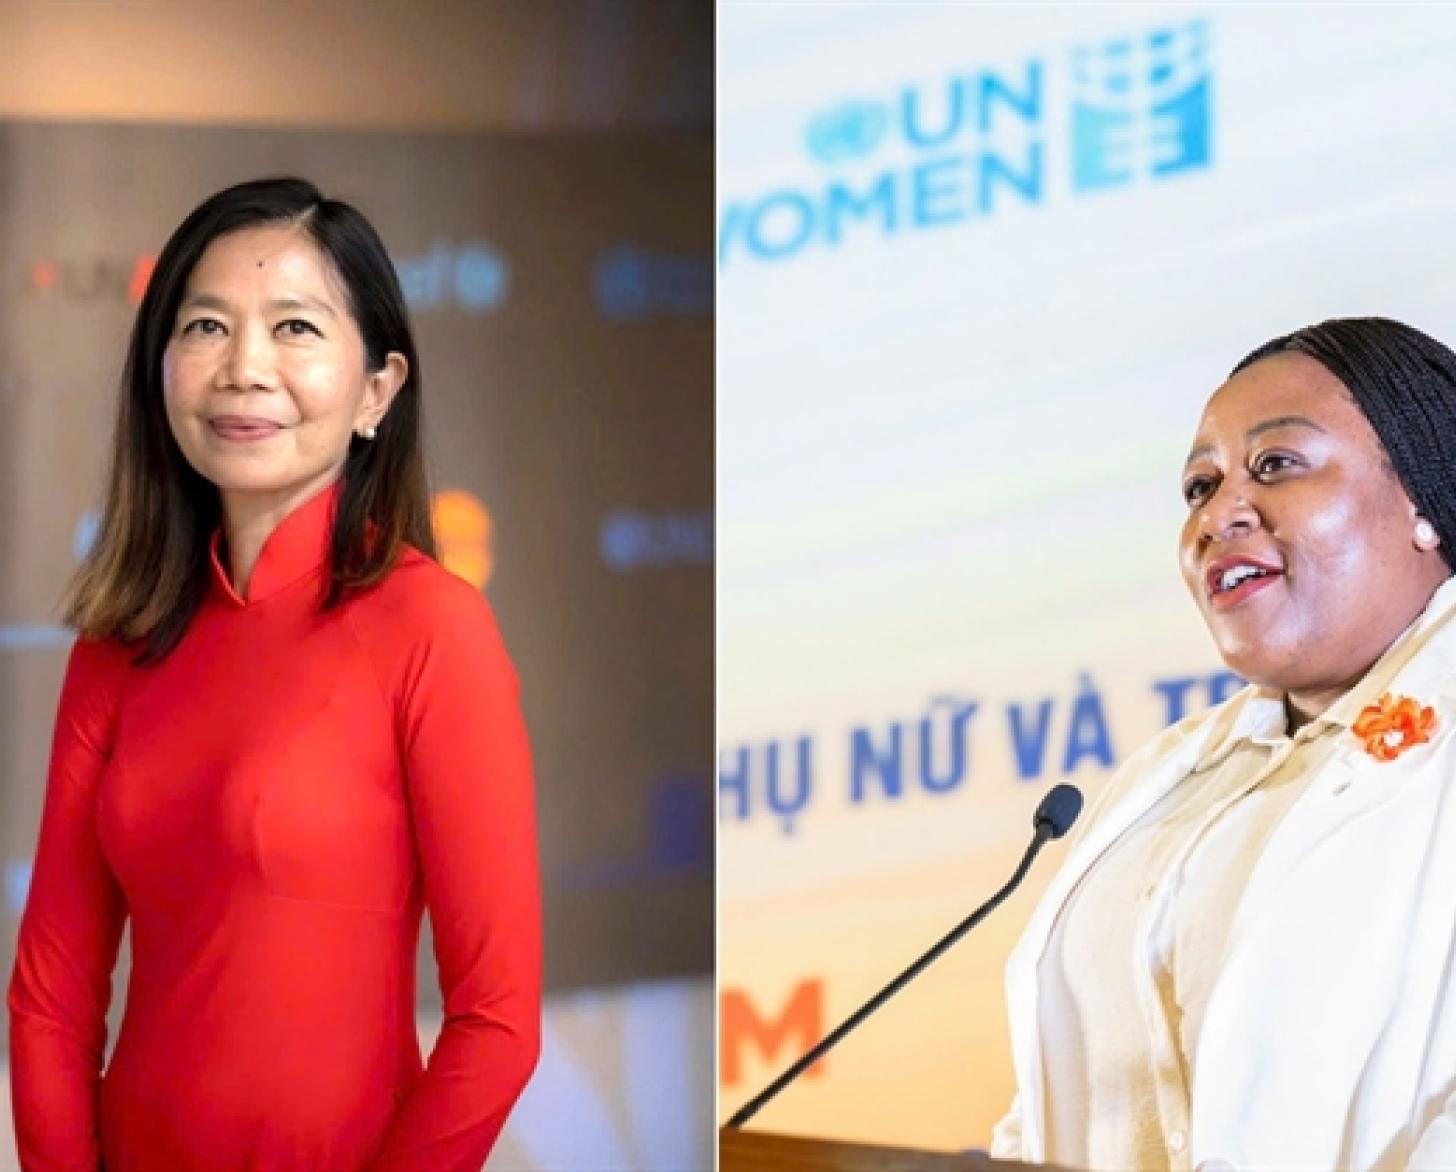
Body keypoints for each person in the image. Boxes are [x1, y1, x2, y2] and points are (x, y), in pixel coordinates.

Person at [6, 177, 541, 1171]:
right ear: (160, 368)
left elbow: (498, 1021)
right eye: (206, 325)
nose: (244, 367)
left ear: (377, 389)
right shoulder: (116, 642)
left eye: (294, 327)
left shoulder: (434, 628)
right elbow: (52, 991)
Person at [990, 317, 1456, 1171]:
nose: (1219, 513)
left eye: (1276, 464)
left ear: (1424, 498)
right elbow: (1054, 1106)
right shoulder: (1164, 781)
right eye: (1199, 487)